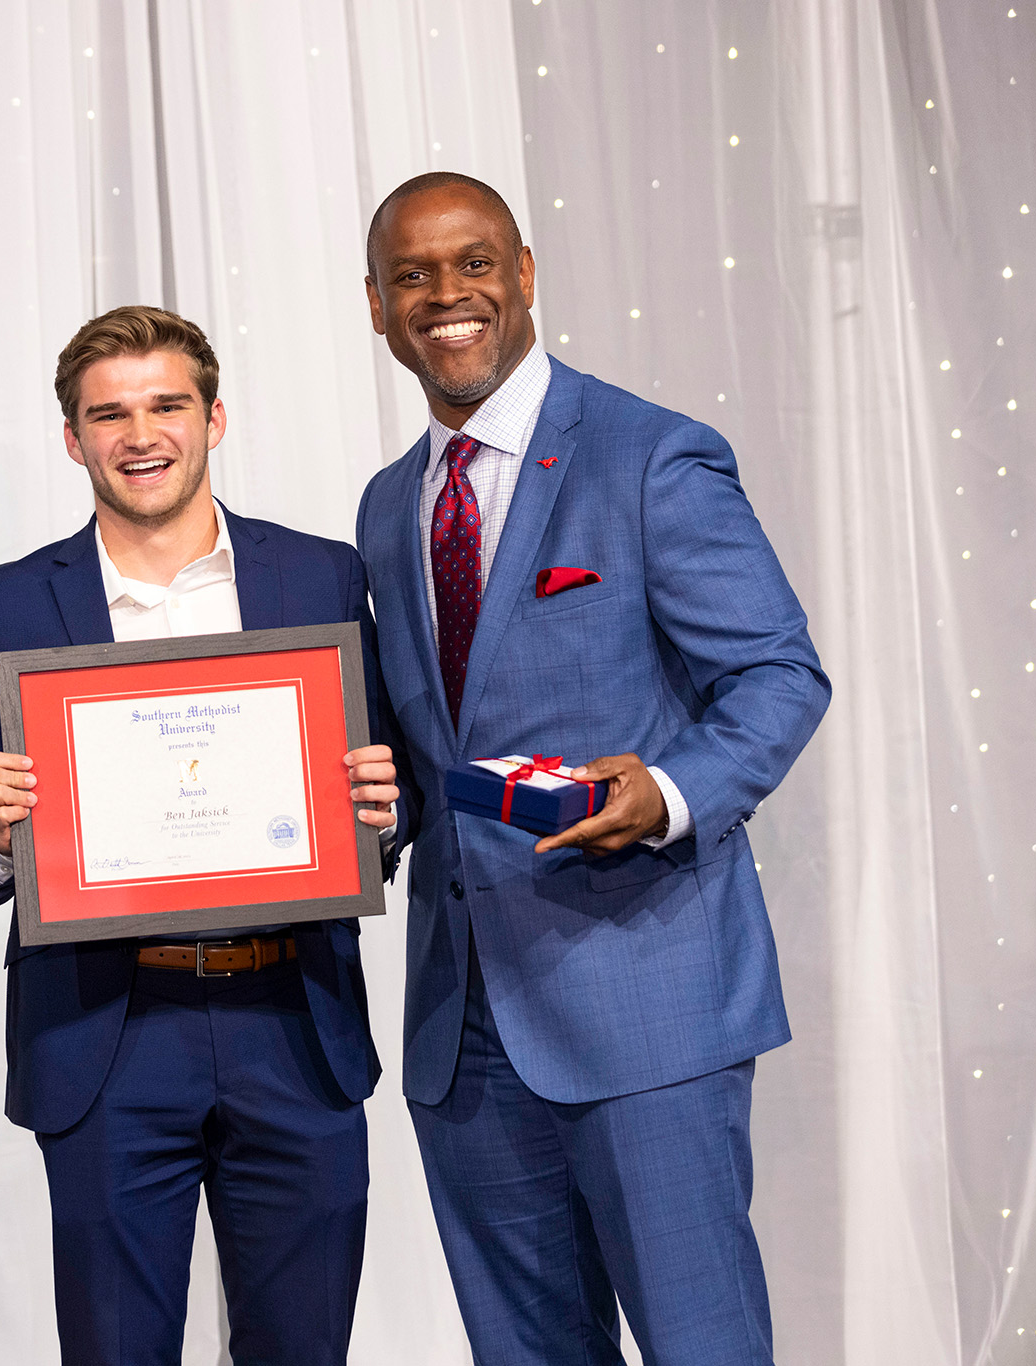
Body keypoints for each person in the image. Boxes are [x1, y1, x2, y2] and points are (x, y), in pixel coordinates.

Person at [355, 171, 831, 1365]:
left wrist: (665, 794)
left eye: (472, 263)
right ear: (375, 305)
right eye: (412, 275)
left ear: (522, 273)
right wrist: (361, 810)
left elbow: (777, 677)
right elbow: (426, 747)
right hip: (461, 1029)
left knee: (699, 1344)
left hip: (644, 1001)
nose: (445, 294)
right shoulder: (385, 506)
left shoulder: (649, 455)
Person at [0, 305, 402, 1365]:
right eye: (108, 414)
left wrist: (383, 810)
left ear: (213, 419)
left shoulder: (320, 574)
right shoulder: (4, 605)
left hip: (293, 1020)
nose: (140, 435)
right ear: (73, 439)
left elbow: (391, 783)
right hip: (105, 1033)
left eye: (166, 406)